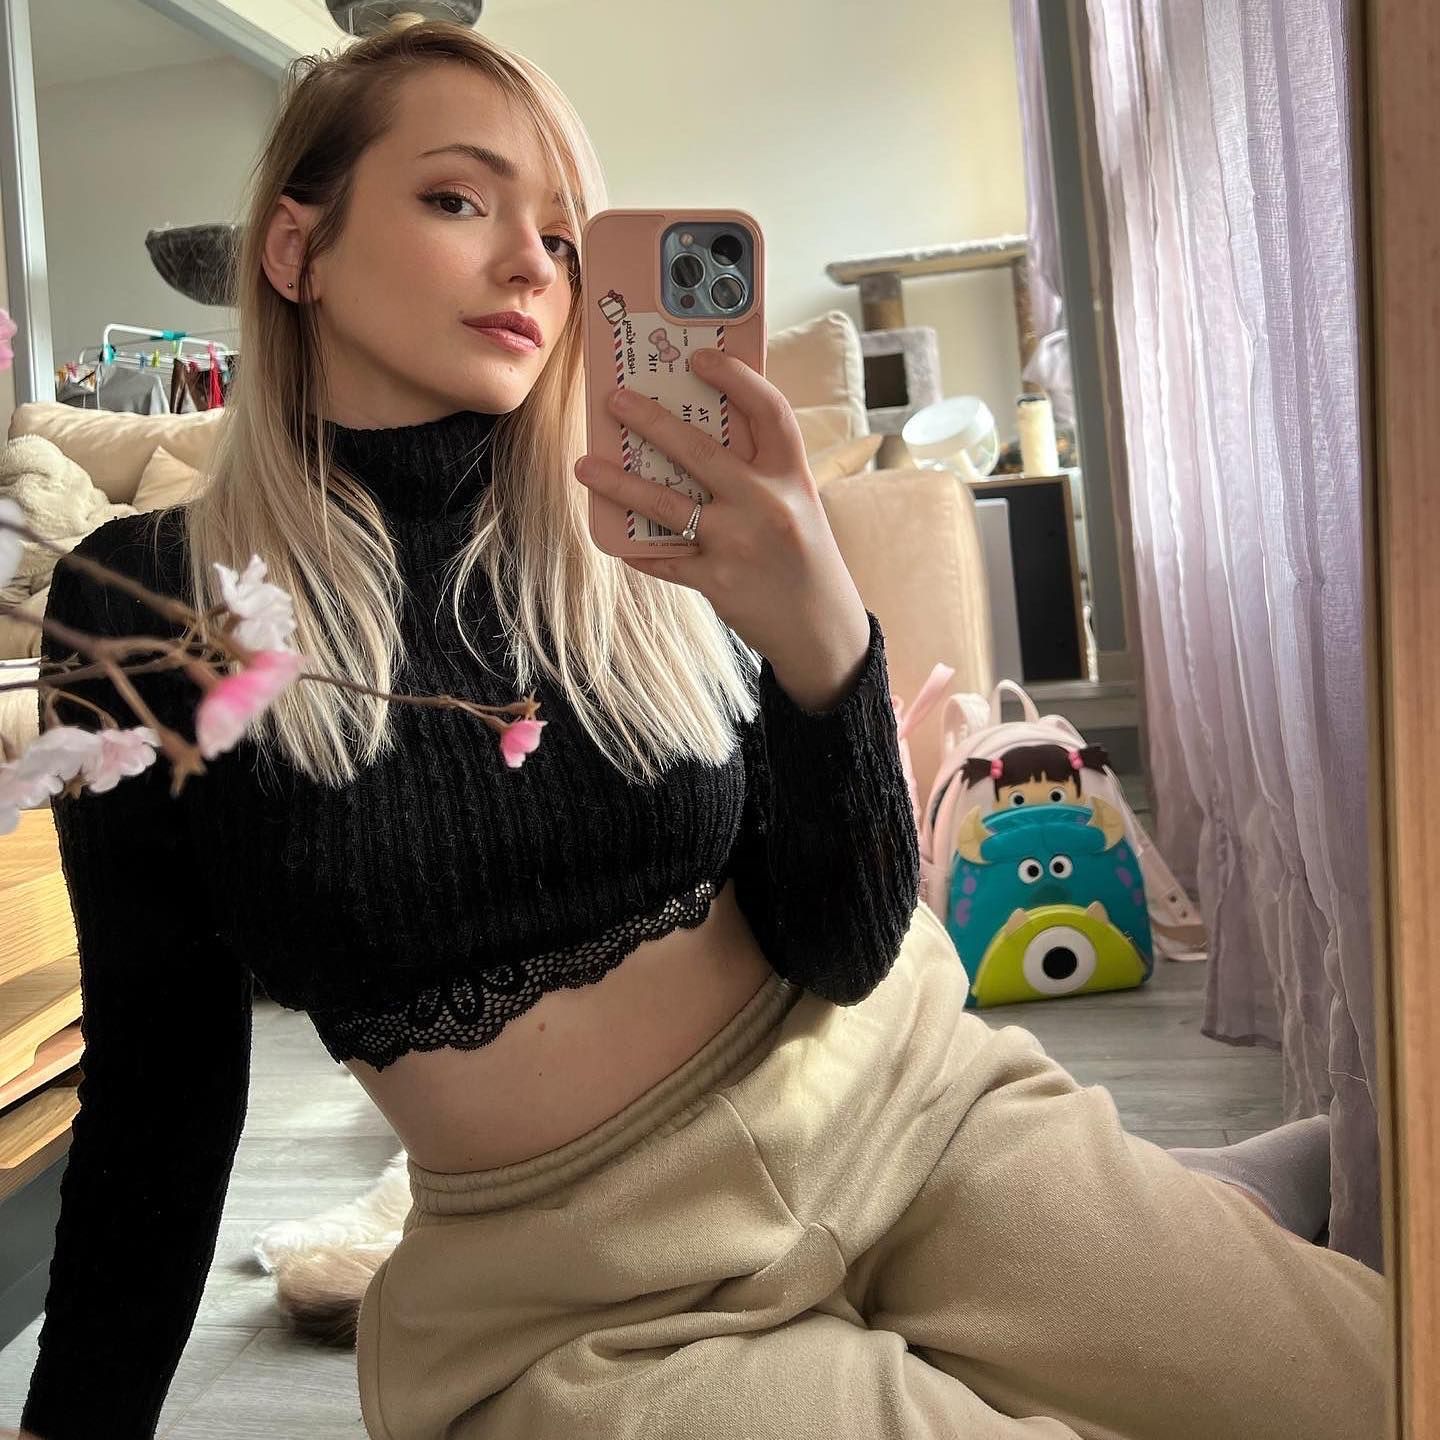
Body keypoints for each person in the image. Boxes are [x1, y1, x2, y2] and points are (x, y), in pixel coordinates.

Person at [11, 18, 1385, 1440]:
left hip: (904, 1111)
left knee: (1370, 1383)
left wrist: (823, 639)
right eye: (458, 198)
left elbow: (843, 946)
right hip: (579, 1305)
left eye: (564, 237)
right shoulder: (146, 602)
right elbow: (161, 1090)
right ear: (296, 250)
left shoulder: (649, 526)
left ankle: (1186, 1222)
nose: (531, 266)